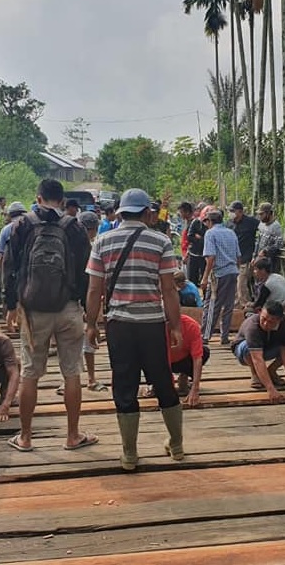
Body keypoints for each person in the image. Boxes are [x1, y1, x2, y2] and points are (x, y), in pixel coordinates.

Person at [85, 188, 184, 472]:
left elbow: (94, 289)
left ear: (120, 212)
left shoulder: (102, 241)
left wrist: (91, 325)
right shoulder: (161, 241)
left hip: (119, 325)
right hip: (152, 324)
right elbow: (168, 289)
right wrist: (176, 326)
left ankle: (129, 454)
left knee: (124, 385)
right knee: (163, 380)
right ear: (147, 213)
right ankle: (176, 445)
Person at [4, 179, 97, 452]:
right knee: (71, 373)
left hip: (33, 310)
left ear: (38, 198)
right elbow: (86, 269)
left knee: (30, 374)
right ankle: (72, 435)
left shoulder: (22, 225)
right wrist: (83, 307)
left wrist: (11, 304)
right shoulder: (74, 226)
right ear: (62, 199)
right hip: (68, 307)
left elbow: (9, 265)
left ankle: (25, 437)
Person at [56, 211, 108, 394]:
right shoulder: (92, 246)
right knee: (87, 339)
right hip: (83, 299)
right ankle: (91, 378)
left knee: (69, 343)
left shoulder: (64, 243)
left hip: (64, 300)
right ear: (93, 229)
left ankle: (67, 380)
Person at [230, 303, 285, 402]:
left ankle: (272, 370)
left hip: (269, 346)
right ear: (260, 312)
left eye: (271, 322)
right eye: (264, 319)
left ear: (280, 320)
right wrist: (270, 389)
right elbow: (257, 359)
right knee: (247, 347)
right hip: (246, 353)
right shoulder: (252, 326)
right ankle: (255, 374)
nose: (266, 324)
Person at [200, 208, 241, 345]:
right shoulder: (231, 233)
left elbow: (211, 257)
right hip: (232, 271)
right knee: (228, 305)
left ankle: (206, 335)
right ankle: (224, 336)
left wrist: (205, 277)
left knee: (212, 305)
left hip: (219, 273)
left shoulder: (210, 234)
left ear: (210, 221)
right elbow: (238, 256)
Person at [228, 201, 259, 305]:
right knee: (234, 288)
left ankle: (246, 307)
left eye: (233, 211)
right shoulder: (229, 224)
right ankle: (237, 309)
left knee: (241, 286)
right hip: (232, 260)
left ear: (240, 212)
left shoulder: (251, 222)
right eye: (230, 211)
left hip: (245, 259)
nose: (231, 213)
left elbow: (262, 229)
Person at [254, 202, 284, 273]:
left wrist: (265, 251)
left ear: (268, 213)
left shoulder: (276, 226)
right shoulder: (261, 224)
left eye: (262, 214)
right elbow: (258, 241)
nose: (260, 216)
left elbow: (279, 244)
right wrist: (254, 256)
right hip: (259, 259)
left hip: (269, 262)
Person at [185, 204, 210, 285]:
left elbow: (209, 240)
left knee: (205, 278)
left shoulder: (212, 225)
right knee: (191, 278)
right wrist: (198, 238)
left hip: (205, 256)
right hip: (193, 254)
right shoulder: (195, 222)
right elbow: (189, 236)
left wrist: (200, 238)